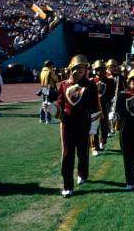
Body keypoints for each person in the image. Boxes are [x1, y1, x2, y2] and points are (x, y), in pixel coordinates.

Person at [43, 54, 101, 197]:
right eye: (77, 67)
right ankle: (68, 185)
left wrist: (94, 126)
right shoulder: (63, 84)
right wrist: (52, 108)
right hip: (67, 124)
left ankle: (82, 173)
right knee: (67, 154)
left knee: (82, 152)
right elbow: (61, 106)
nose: (80, 70)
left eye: (83, 68)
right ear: (71, 68)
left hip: (84, 122)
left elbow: (94, 106)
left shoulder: (91, 85)